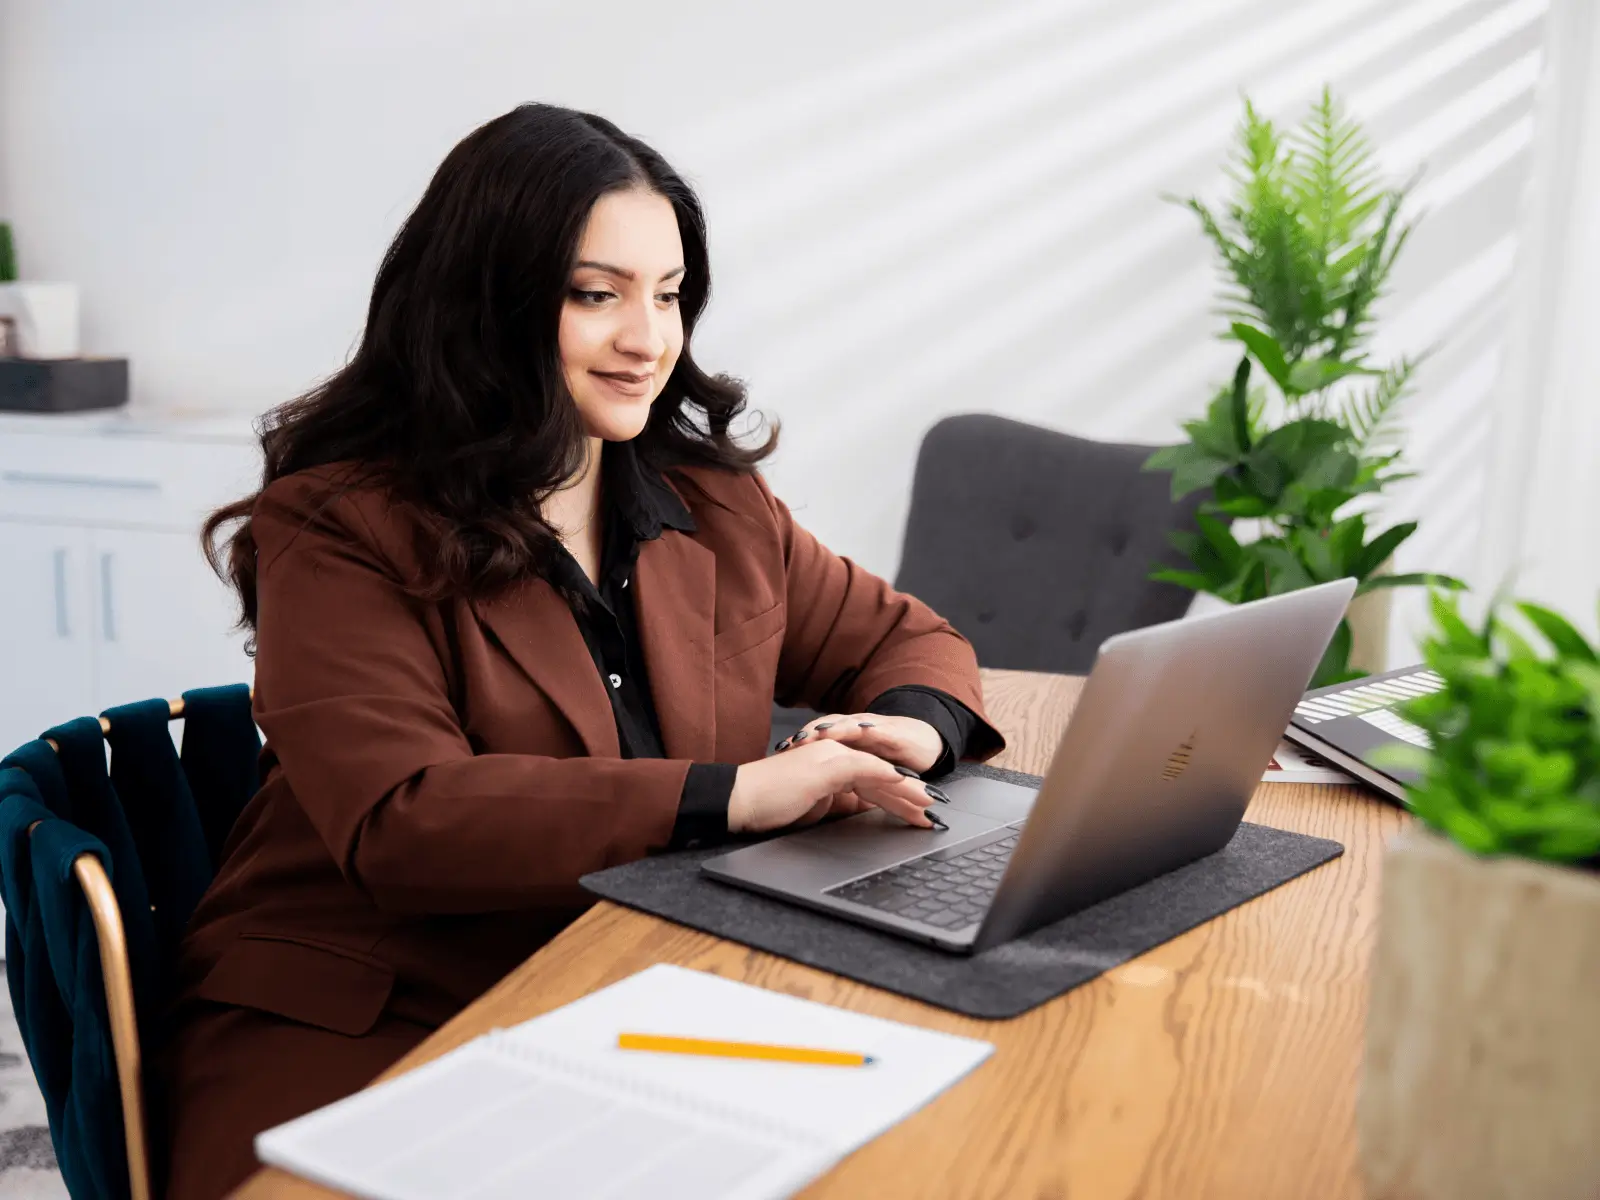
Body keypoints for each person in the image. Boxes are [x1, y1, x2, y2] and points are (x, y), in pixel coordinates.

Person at [161, 102, 1003, 1200]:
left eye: (668, 295)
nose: (648, 340)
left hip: (620, 980)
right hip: (369, 1006)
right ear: (486, 303)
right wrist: (736, 794)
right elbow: (403, 817)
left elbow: (907, 637)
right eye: (595, 295)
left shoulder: (716, 505)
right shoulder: (339, 525)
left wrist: (917, 729)